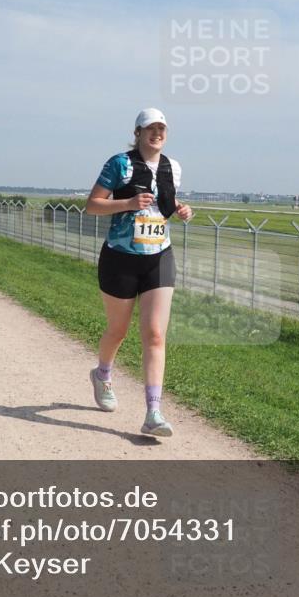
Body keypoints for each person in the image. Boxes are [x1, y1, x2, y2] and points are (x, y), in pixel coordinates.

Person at [85, 108, 193, 438]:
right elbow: (92, 205)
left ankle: (154, 412)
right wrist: (128, 204)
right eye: (150, 128)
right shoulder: (120, 163)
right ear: (138, 132)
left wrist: (182, 210)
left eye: (161, 129)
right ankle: (102, 374)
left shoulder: (173, 167)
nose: (156, 133)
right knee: (118, 331)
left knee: (155, 334)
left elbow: (164, 207)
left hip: (159, 256)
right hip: (120, 257)